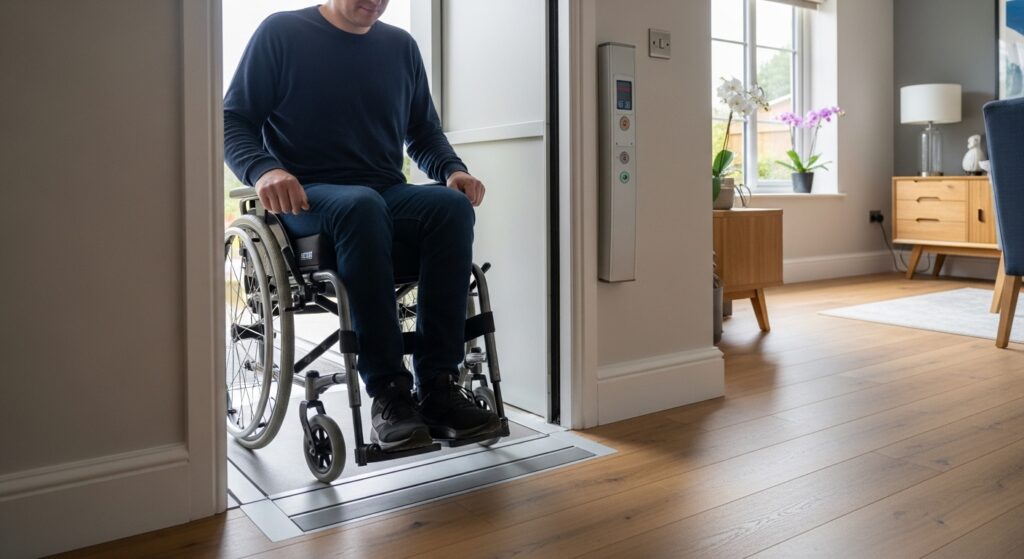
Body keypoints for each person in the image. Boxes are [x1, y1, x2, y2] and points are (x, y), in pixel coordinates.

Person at [224, 0, 500, 453]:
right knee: (361, 206)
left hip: (382, 193)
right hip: (306, 197)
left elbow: (423, 132)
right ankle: (389, 392)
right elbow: (232, 119)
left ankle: (438, 386)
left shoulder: (400, 47)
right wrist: (263, 169)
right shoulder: (281, 33)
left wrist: (452, 169)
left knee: (450, 207)